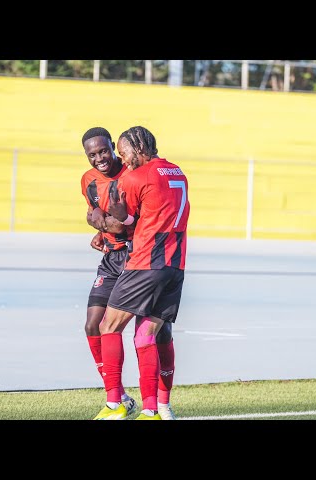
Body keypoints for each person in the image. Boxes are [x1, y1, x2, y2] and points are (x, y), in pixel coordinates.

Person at [80, 127, 178, 420]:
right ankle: (118, 397)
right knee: (93, 324)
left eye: (104, 151)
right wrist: (101, 230)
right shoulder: (87, 181)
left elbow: (128, 222)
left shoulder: (133, 174)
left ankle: (160, 404)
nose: (99, 158)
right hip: (112, 258)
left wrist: (101, 223)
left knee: (153, 332)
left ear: (114, 147)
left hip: (139, 257)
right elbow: (101, 216)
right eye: (92, 154)